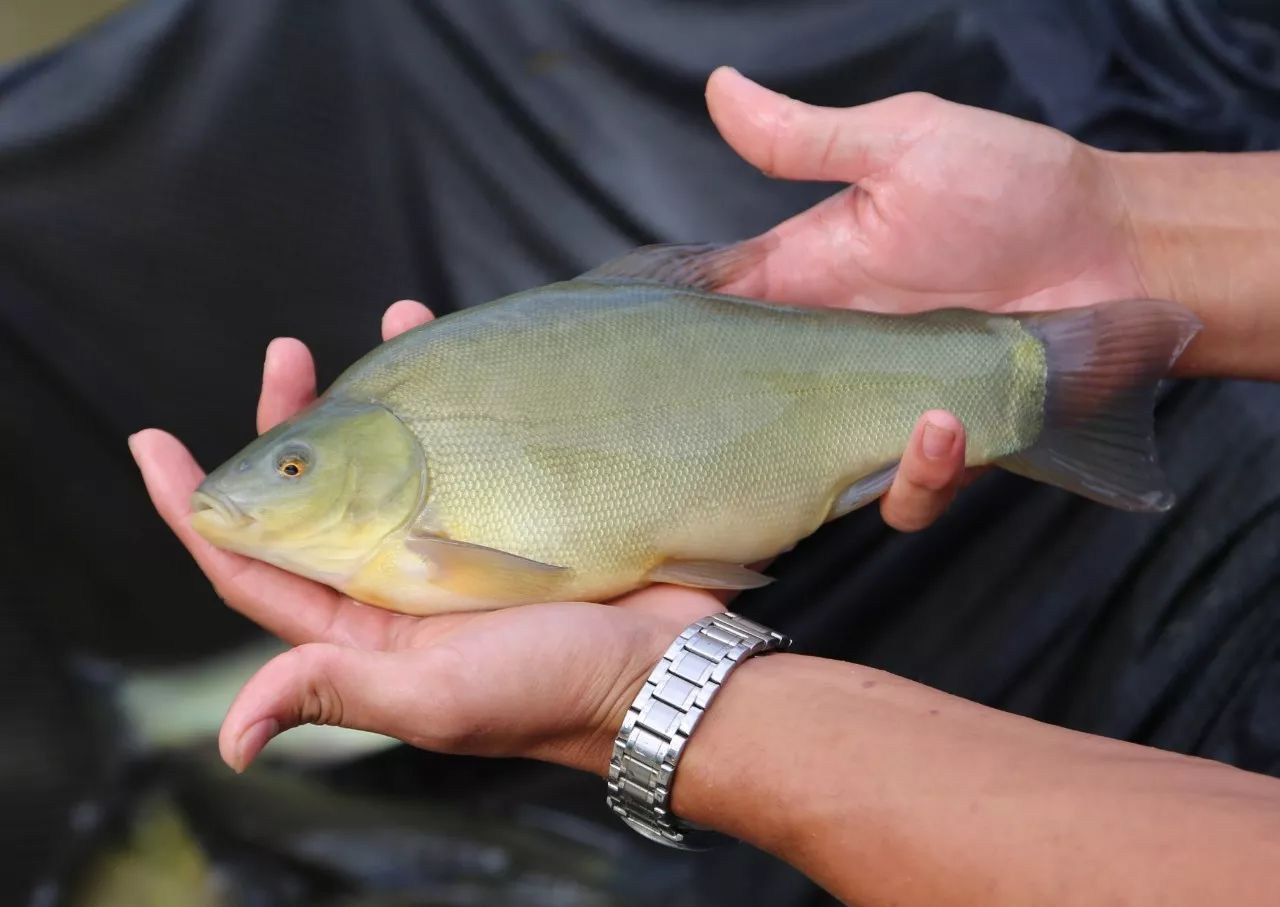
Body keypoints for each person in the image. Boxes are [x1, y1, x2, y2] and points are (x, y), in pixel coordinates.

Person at [129, 68, 1280, 905]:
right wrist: (1122, 228)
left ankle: (1032, 377)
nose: (263, 489)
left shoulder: (412, 492)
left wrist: (626, 694)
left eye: (292, 466)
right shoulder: (401, 420)